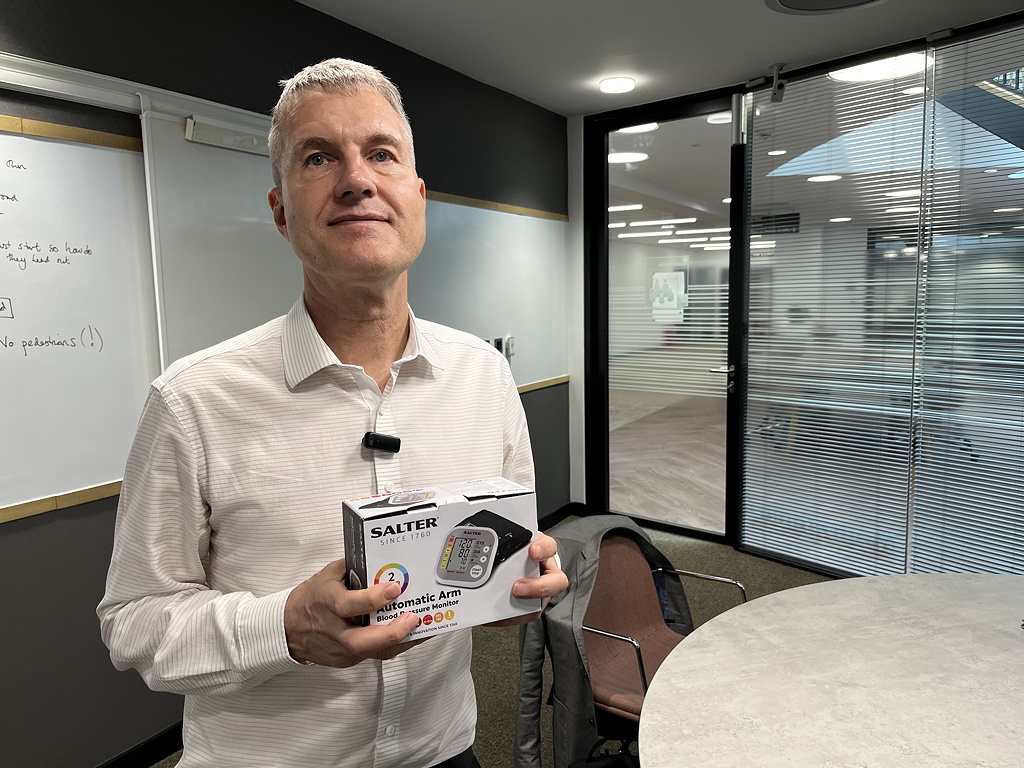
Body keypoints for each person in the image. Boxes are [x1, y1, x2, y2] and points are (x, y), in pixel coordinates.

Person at [97, 58, 568, 768]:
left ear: (417, 195)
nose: (357, 178)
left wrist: (523, 582)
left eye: (382, 153)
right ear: (281, 209)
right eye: (319, 157)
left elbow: (512, 546)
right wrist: (283, 626)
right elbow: (132, 625)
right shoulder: (192, 401)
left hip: (446, 752)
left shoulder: (484, 375)